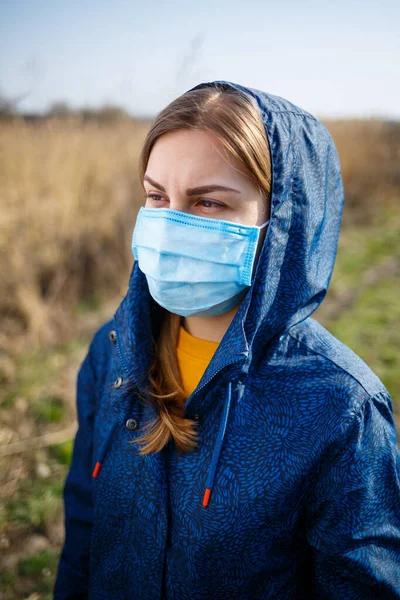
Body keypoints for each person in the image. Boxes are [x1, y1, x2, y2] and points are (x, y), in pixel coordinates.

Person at [53, 80, 400, 599]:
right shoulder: (113, 352)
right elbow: (83, 537)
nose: (169, 226)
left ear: (283, 221)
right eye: (156, 196)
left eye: (208, 202)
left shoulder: (342, 409)